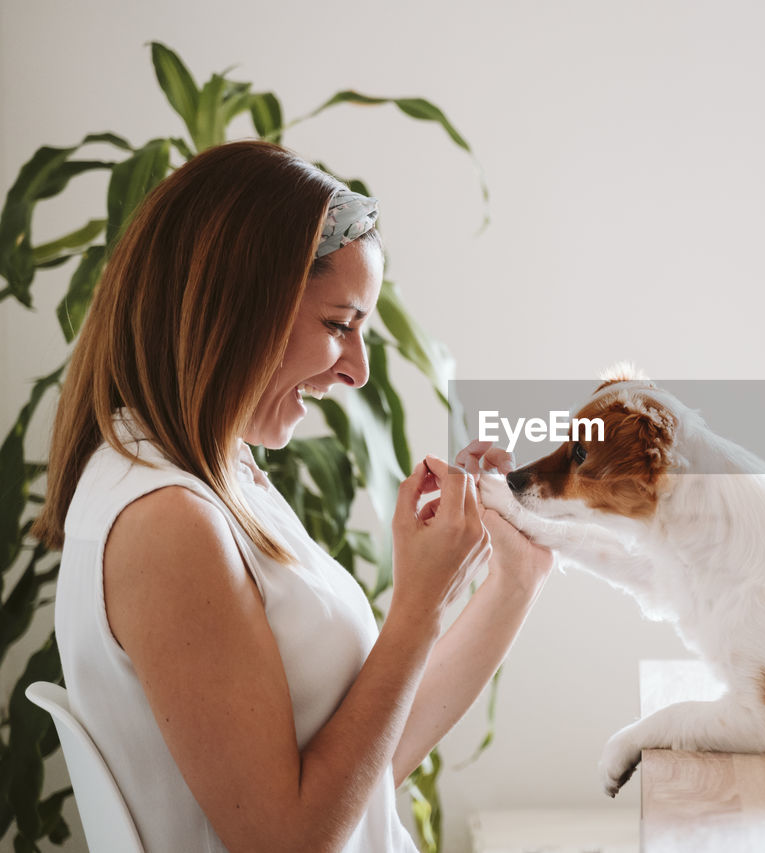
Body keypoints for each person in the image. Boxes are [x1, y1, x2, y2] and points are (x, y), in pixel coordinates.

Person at [31, 139, 552, 852]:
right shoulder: (167, 522)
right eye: (339, 325)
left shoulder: (214, 474)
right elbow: (290, 841)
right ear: (234, 303)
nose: (359, 370)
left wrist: (512, 578)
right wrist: (417, 608)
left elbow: (365, 770)